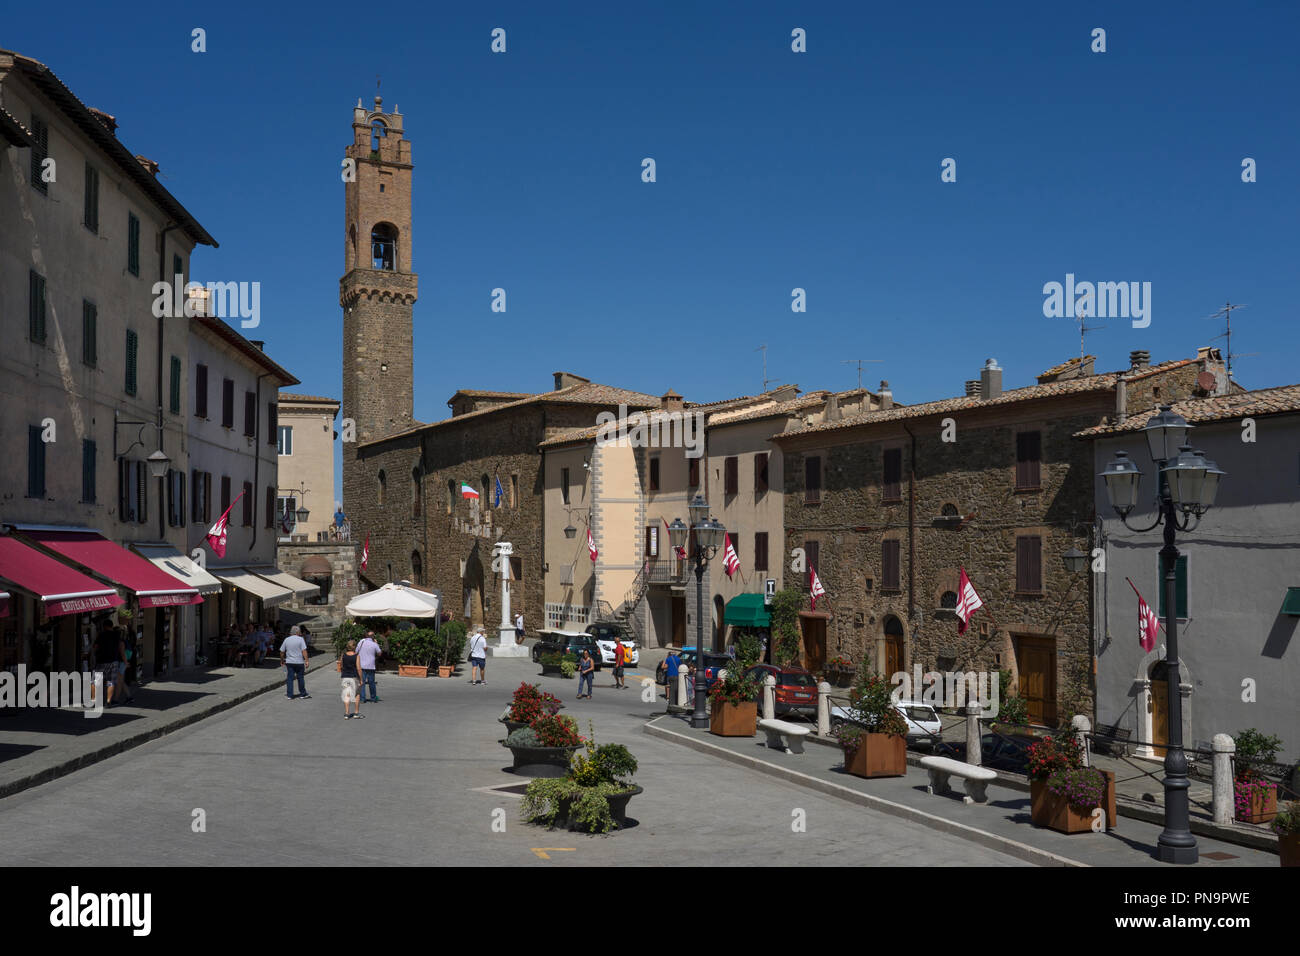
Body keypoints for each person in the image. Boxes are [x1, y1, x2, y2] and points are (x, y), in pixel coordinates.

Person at [281, 624, 311, 700]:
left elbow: (282, 651)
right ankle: (302, 694)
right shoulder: (301, 639)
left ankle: (289, 695)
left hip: (290, 662)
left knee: (290, 678)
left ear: (291, 632)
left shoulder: (286, 639)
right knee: (300, 678)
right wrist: (306, 660)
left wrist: (282, 660)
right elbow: (304, 651)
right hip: (299, 662)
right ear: (298, 632)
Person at [339, 639, 364, 719]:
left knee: (347, 694)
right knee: (357, 694)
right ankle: (356, 713)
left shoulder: (343, 655)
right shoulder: (357, 656)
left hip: (345, 677)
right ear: (354, 647)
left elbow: (341, 665)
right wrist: (361, 679)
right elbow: (359, 668)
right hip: (354, 677)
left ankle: (347, 713)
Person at [357, 630, 382, 703]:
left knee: (362, 682)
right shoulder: (374, 644)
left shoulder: (361, 642)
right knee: (371, 682)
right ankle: (373, 698)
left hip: (362, 665)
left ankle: (362, 698)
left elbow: (356, 651)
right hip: (371, 666)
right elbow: (379, 653)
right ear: (373, 637)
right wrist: (377, 644)